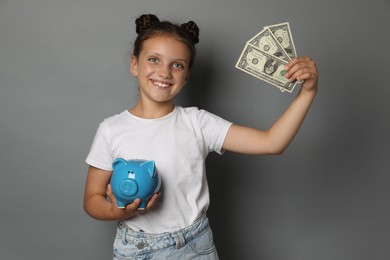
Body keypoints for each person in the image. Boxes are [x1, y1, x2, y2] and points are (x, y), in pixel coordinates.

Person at [83, 14, 319, 259]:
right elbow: (92, 199)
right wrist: (118, 212)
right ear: (135, 64)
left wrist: (307, 93)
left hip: (194, 246)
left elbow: (272, 142)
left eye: (177, 65)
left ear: (187, 76)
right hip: (136, 249)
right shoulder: (111, 129)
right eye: (154, 60)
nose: (164, 72)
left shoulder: (198, 123)